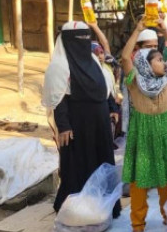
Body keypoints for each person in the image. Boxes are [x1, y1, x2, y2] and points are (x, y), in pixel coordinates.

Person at [120, 17, 167, 232]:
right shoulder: (135, 81)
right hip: (143, 135)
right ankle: (137, 226)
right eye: (158, 59)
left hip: (165, 132)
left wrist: (166, 31)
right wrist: (138, 28)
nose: (164, 62)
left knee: (166, 181)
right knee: (139, 183)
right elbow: (123, 58)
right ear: (146, 65)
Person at [43, 21, 119, 217]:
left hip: (99, 121)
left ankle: (105, 205)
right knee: (79, 163)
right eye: (80, 38)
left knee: (102, 159)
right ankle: (76, 208)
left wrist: (111, 109)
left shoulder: (93, 61)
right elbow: (58, 98)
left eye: (87, 36)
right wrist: (64, 125)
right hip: (77, 124)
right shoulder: (60, 66)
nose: (84, 42)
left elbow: (105, 87)